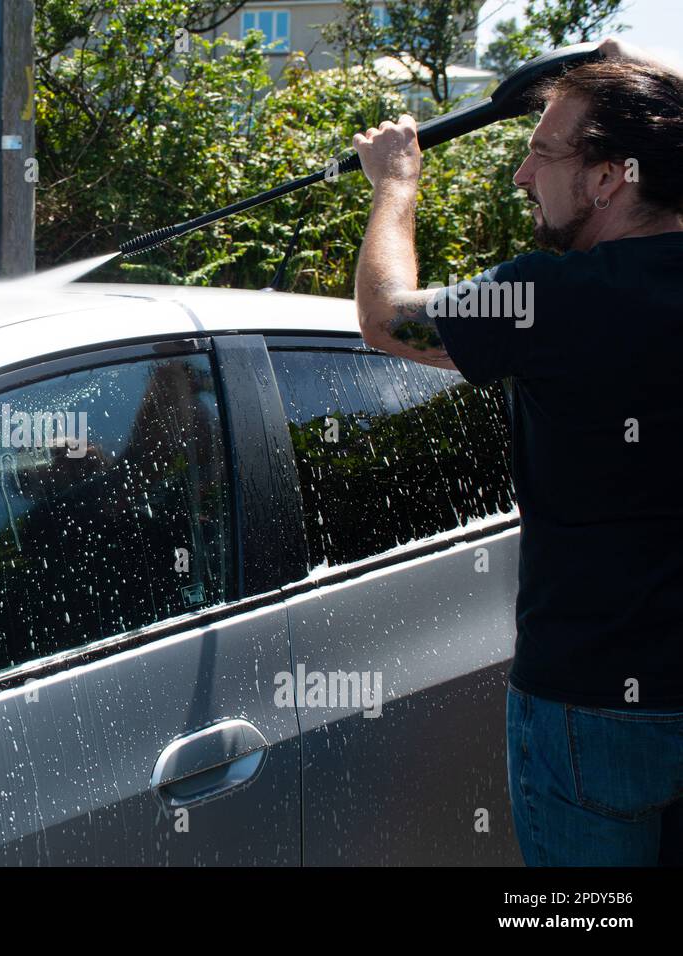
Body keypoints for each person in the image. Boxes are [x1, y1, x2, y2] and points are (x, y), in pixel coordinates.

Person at [350, 38, 683, 866]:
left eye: (542, 153)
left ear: (608, 177)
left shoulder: (551, 299)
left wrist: (396, 184)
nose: (522, 176)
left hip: (594, 709)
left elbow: (389, 317)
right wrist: (629, 73)